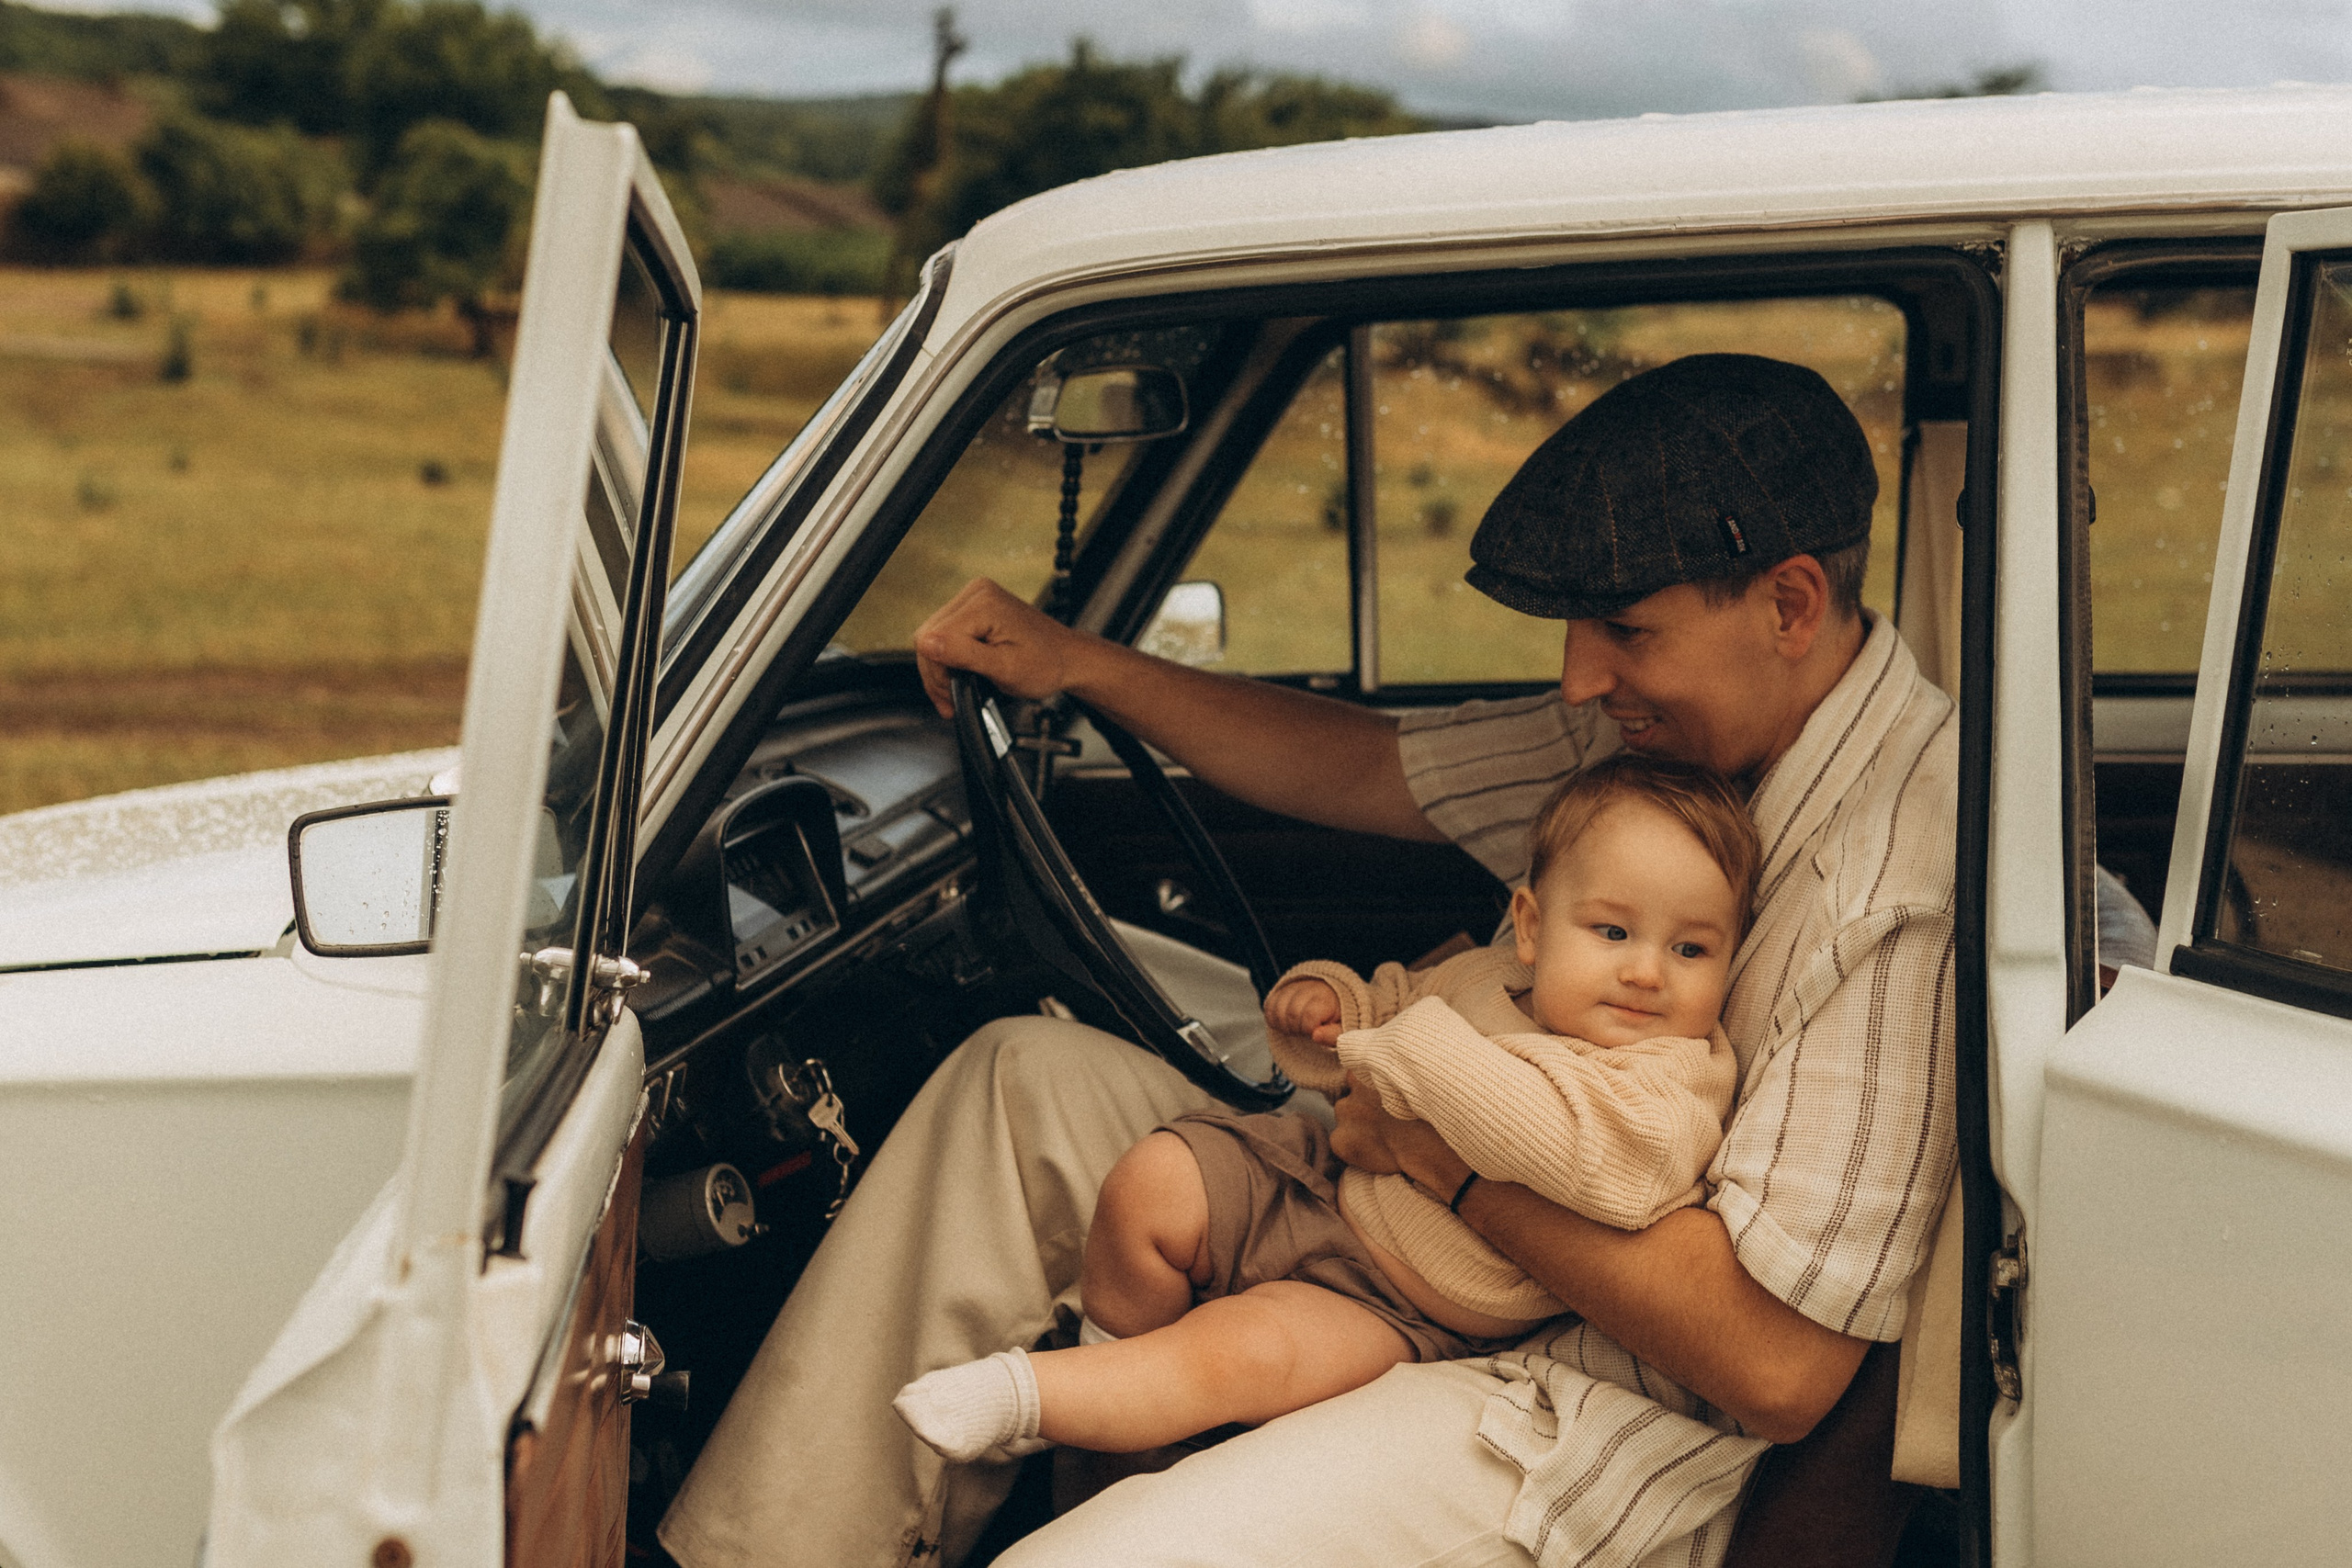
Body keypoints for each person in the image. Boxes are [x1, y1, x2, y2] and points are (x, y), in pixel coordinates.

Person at [659, 352, 1957, 1568]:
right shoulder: (1686, 741)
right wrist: (1079, 665)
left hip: (1573, 1400)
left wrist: (1450, 1168)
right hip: (1400, 1189)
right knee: (1021, 1081)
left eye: (1620, 628)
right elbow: (1371, 763)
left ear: (1788, 602)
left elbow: (1781, 1366)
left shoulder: (1902, 880)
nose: (1576, 678)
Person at [893, 755, 1755, 1462]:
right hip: (1321, 1179)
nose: (1648, 971)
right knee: (1151, 1182)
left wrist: (1392, 1052)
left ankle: (1025, 1395)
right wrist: (1328, 1009)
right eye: (1613, 932)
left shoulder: (1673, 1078)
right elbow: (1389, 1005)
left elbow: (1571, 1151)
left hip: (1402, 1309)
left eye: (1691, 947)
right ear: (1530, 927)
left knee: (1241, 1348)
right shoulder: (1493, 978)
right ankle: (1102, 1405)